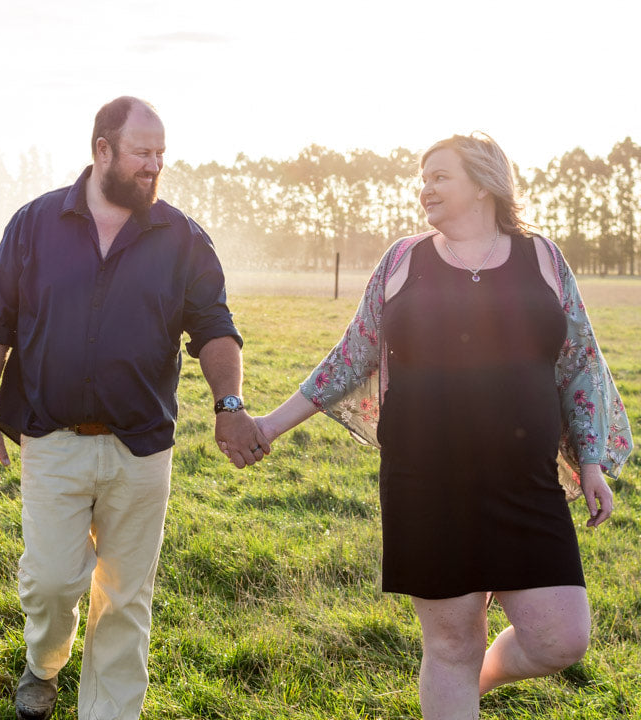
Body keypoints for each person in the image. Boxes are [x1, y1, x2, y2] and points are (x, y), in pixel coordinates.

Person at [232, 133, 633, 718]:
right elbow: (351, 357)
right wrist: (268, 425)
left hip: (525, 483)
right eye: (423, 179)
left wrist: (591, 463)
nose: (426, 189)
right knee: (450, 646)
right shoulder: (403, 261)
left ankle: (477, 683)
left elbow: (579, 363)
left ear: (484, 184)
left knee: (561, 640)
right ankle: (457, 688)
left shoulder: (543, 258)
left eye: (440, 176)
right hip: (426, 483)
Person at [0, 96, 269, 720]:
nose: (154, 166)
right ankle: (43, 664)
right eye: (141, 153)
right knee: (52, 583)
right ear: (102, 150)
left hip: (141, 446)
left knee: (126, 597)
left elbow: (215, 326)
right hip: (51, 437)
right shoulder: (34, 225)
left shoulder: (182, 238)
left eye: (161, 154)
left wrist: (230, 404)